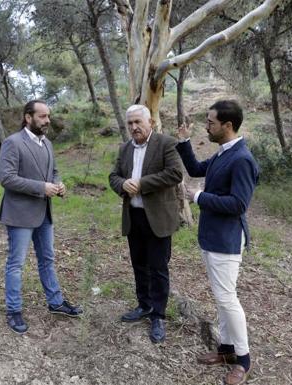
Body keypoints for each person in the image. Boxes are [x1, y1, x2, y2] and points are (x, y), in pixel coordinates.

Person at [176, 100, 259, 385]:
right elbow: (197, 168)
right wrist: (184, 141)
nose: (207, 126)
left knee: (228, 299)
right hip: (211, 237)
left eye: (210, 122)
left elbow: (238, 204)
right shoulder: (224, 152)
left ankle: (244, 360)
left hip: (226, 240)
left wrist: (197, 197)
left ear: (228, 125)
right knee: (222, 298)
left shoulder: (242, 159)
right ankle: (225, 349)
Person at [0, 99, 82, 334]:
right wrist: (41, 187)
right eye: (43, 116)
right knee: (16, 264)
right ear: (28, 117)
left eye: (48, 116)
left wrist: (58, 184)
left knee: (48, 260)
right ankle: (13, 311)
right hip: (20, 215)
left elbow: (53, 172)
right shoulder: (12, 143)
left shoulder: (48, 144)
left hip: (44, 213)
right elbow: (6, 178)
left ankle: (55, 303)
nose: (47, 121)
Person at [109, 104, 184, 343]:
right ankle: (144, 305)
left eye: (137, 122)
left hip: (159, 217)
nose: (133, 127)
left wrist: (141, 183)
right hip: (135, 216)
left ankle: (158, 315)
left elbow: (175, 174)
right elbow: (113, 176)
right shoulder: (125, 148)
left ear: (149, 122)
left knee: (158, 268)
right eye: (130, 123)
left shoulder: (166, 143)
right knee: (139, 264)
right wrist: (122, 184)